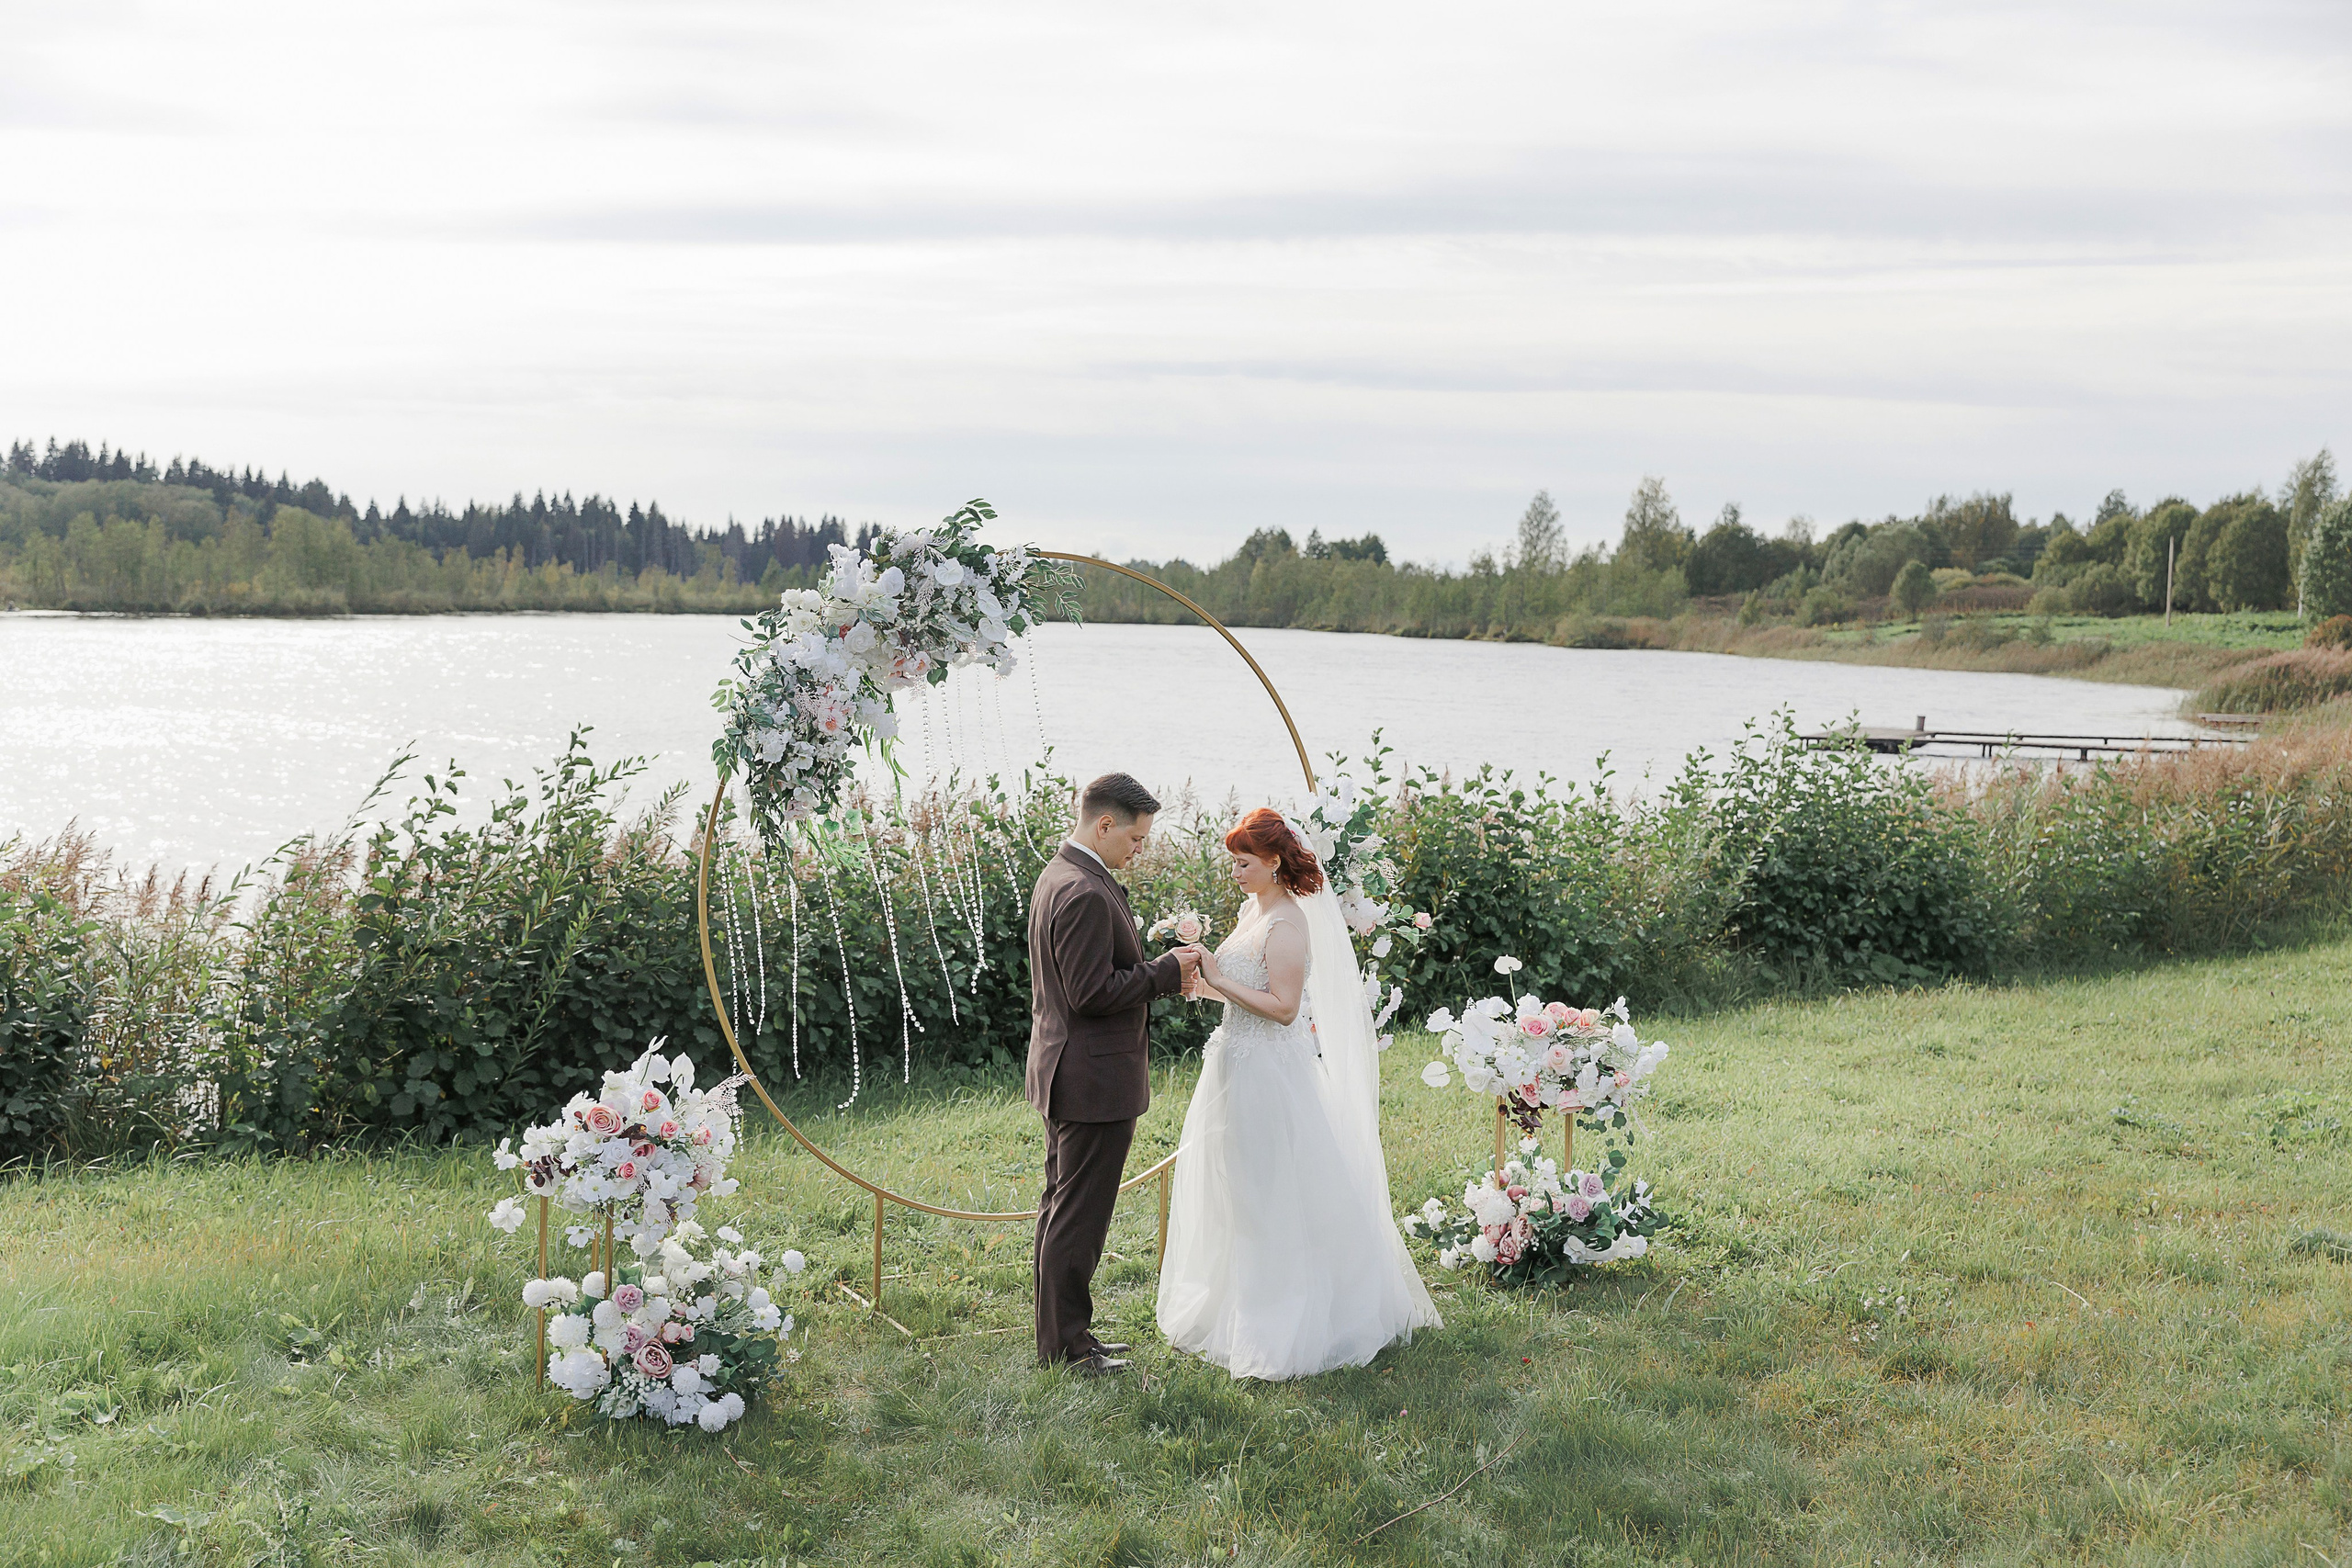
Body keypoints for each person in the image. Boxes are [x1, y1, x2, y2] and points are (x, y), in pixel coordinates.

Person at [1157, 807, 1440, 1380]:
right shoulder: (1252, 911)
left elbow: (1284, 1010)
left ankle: (1284, 1321)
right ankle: (1233, 1306)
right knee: (1233, 1190)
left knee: (1269, 1193)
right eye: (1233, 862)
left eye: (1243, 863)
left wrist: (1218, 975)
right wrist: (1201, 987)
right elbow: (1243, 993)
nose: (1234, 872)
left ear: (1273, 862)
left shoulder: (1286, 923)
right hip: (1233, 1066)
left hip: (1268, 1075)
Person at [1025, 772, 1201, 1375]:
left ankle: (1063, 1336)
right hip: (1091, 1081)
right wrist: (1166, 971)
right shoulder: (1083, 891)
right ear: (1104, 824)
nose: (1140, 849)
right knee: (1078, 1217)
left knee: (1063, 1209)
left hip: (1068, 1070)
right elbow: (1091, 992)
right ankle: (1068, 1348)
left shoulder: (1063, 874)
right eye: (1136, 838)